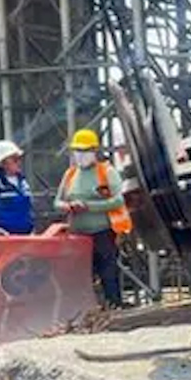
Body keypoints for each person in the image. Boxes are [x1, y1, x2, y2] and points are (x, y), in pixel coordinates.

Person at [55, 127, 131, 307]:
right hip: (78, 235)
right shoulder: (70, 174)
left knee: (108, 272)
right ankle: (85, 310)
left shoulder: (106, 172)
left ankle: (114, 305)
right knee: (81, 275)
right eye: (77, 151)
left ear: (94, 151)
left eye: (84, 151)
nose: (80, 155)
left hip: (102, 232)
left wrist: (90, 207)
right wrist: (69, 206)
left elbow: (119, 200)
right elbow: (57, 202)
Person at [0, 139, 33, 235]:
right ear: (1, 162)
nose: (19, 162)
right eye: (14, 159)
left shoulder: (23, 183)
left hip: (26, 239)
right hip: (2, 241)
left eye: (19, 158)